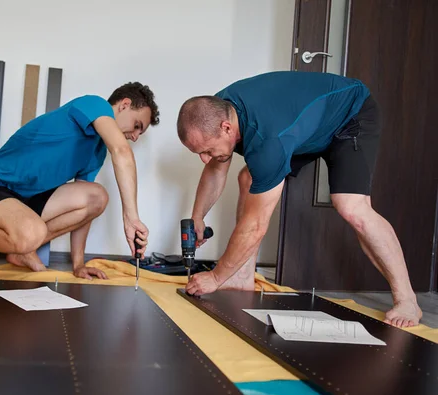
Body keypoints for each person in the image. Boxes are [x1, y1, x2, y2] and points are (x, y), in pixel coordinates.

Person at [176, 71, 422, 327]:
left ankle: (407, 300)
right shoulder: (217, 111)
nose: (205, 158)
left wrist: (216, 278)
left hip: (350, 114)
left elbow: (256, 226)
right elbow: (216, 167)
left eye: (206, 151)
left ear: (226, 128)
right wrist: (197, 216)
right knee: (249, 178)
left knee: (351, 206)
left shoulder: (268, 141)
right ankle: (241, 277)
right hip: (306, 128)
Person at [0, 82, 159, 280]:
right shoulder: (95, 104)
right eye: (136, 126)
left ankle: (22, 249)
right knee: (32, 233)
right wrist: (131, 218)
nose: (135, 137)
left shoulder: (97, 152)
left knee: (97, 196)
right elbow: (121, 151)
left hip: (24, 203)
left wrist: (78, 265)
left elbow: (86, 210)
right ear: (124, 105)